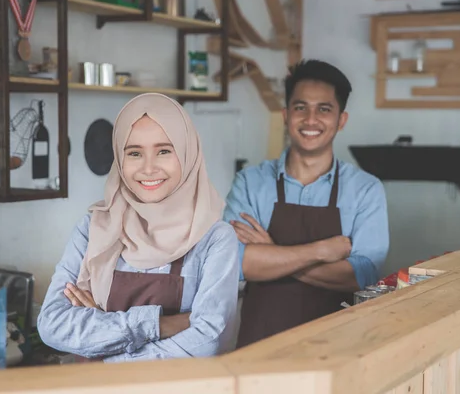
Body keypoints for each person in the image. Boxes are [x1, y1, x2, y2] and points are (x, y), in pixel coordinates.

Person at [37, 93, 239, 362]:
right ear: (119, 160)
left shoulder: (215, 239)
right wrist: (161, 324)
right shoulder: (93, 228)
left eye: (164, 151)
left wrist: (103, 335)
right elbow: (52, 324)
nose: (148, 168)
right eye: (134, 153)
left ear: (188, 154)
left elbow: (207, 341)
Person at [223, 59, 390, 348]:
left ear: (341, 120)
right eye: (301, 107)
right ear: (286, 115)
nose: (311, 119)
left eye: (324, 109)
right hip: (261, 346)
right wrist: (321, 252)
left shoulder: (365, 190)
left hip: (338, 348)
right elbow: (236, 263)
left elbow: (359, 276)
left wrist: (271, 253)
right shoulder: (250, 182)